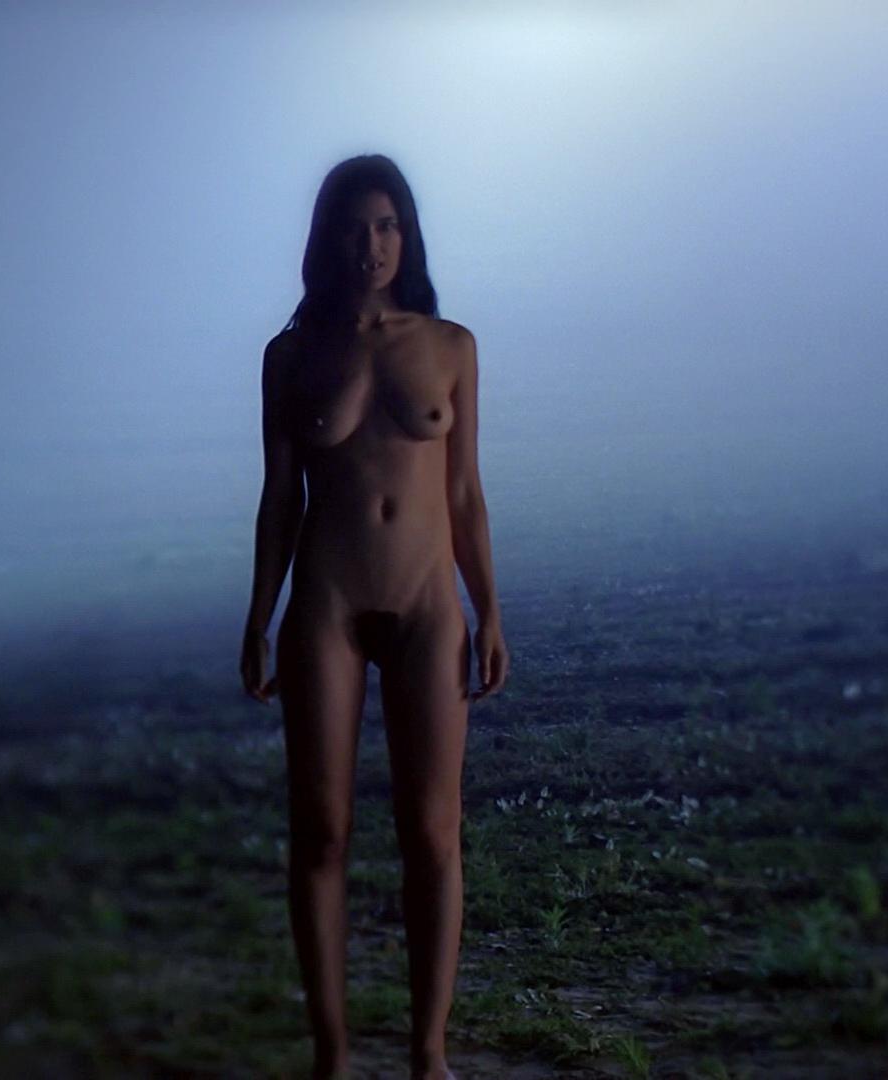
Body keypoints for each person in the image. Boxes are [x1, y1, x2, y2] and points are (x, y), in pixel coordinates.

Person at [242, 154, 509, 1080]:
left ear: (408, 235)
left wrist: (490, 608)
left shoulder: (451, 346)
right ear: (328, 239)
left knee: (432, 833)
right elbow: (279, 497)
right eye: (356, 229)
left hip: (429, 606)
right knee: (321, 830)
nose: (373, 245)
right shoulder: (290, 356)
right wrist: (258, 615)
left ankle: (429, 1055)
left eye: (388, 226)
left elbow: (465, 492)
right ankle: (333, 1055)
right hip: (328, 604)